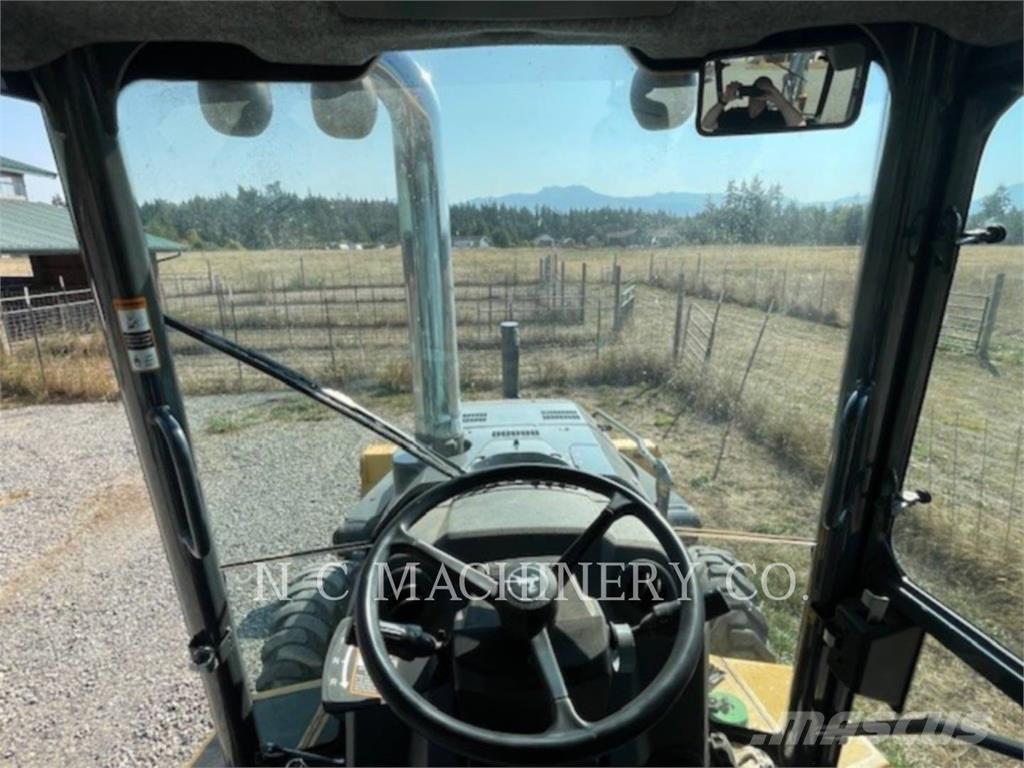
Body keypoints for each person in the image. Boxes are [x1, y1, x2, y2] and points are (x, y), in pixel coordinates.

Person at [701, 76, 807, 132]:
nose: (758, 94)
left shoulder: (776, 117)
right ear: (749, 91)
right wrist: (724, 100)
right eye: (755, 90)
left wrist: (778, 99)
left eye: (763, 91)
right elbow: (707, 125)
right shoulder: (734, 114)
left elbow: (799, 126)